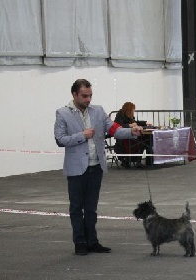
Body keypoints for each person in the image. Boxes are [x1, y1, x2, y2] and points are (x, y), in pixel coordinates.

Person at [54, 79, 143, 255]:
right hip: (76, 168)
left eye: (90, 96)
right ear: (74, 95)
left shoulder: (99, 111)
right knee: (76, 208)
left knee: (92, 208)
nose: (88, 99)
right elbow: (60, 139)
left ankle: (92, 242)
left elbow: (114, 130)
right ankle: (80, 243)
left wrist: (132, 132)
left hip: (96, 167)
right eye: (84, 96)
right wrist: (82, 135)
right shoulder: (62, 113)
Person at [113, 101, 141, 167]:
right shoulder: (120, 115)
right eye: (133, 109)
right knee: (138, 141)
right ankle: (127, 160)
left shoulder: (130, 116)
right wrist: (130, 125)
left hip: (131, 136)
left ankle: (138, 160)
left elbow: (134, 123)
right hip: (123, 137)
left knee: (142, 141)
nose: (134, 111)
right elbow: (119, 126)